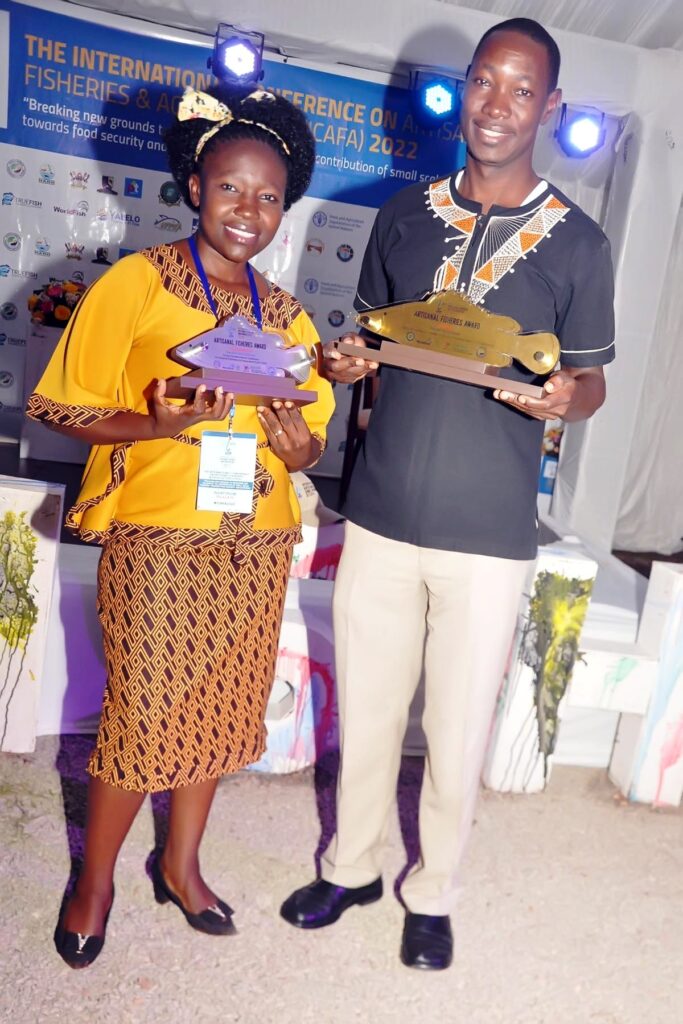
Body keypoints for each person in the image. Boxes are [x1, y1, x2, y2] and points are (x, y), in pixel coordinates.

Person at [280, 18, 615, 970]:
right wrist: (344, 361)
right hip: (382, 511)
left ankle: (432, 892)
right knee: (371, 709)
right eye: (483, 82)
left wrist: (563, 397)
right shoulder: (403, 215)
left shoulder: (578, 246)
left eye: (521, 90)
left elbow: (590, 382)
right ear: (460, 90)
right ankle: (347, 868)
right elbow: (372, 346)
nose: (497, 105)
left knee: (456, 727)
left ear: (549, 108)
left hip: (487, 530)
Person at [27, 83, 334, 969]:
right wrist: (156, 425)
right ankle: (95, 883)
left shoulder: (287, 315)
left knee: (223, 710)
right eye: (232, 187)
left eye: (269, 196)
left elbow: (307, 442)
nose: (250, 210)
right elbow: (61, 404)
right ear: (195, 185)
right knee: (142, 714)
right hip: (159, 540)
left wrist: (296, 444)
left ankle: (182, 865)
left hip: (256, 541)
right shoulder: (137, 281)